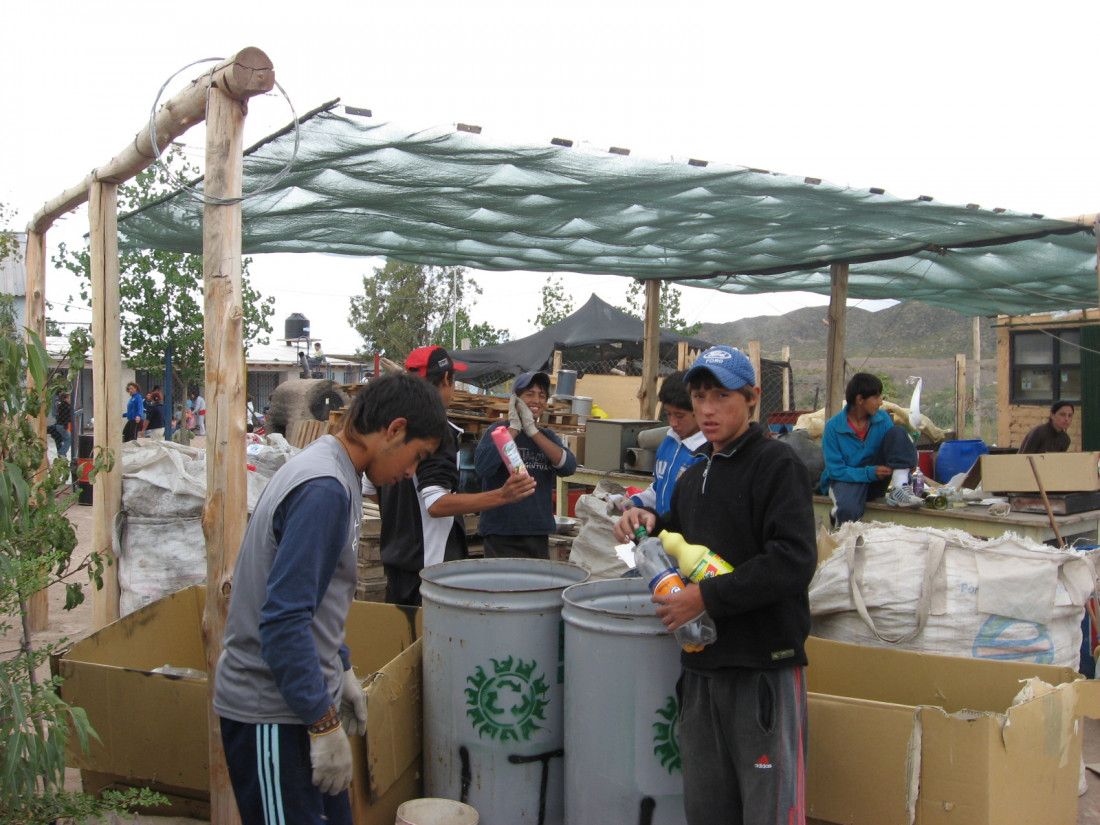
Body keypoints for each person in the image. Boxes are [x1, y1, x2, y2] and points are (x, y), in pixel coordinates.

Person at [213, 373, 450, 825]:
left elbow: (316, 598)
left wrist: (339, 665)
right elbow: (282, 622)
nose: (409, 473)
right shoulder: (323, 488)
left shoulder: (339, 473)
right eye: (416, 457)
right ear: (394, 429)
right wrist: (323, 726)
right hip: (273, 713)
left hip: (301, 705)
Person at [613, 345, 817, 825]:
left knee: (769, 807)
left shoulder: (777, 466)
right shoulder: (695, 473)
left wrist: (705, 597)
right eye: (700, 396)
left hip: (762, 667)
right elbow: (679, 539)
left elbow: (793, 560)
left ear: (752, 398)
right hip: (703, 667)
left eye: (721, 396)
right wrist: (647, 520)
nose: (707, 409)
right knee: (708, 807)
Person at [364, 346, 536, 606]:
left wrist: (406, 521)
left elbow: (370, 489)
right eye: (454, 380)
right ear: (446, 379)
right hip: (430, 570)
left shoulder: (388, 427)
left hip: (396, 563)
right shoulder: (435, 432)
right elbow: (436, 504)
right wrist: (502, 495)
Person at [474, 370, 578, 559]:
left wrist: (532, 431)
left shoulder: (547, 437)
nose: (536, 400)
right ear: (516, 400)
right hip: (501, 532)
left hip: (537, 531)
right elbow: (483, 466)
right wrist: (514, 429)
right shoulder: (497, 431)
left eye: (542, 395)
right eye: (529, 394)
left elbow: (568, 467)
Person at [819, 372, 922, 525]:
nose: (880, 402)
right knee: (848, 511)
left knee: (898, 432)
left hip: (875, 481)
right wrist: (870, 472)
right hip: (846, 481)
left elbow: (896, 447)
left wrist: (902, 475)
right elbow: (836, 471)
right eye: (876, 397)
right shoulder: (833, 428)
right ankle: (840, 532)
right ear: (860, 399)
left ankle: (899, 489)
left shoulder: (883, 419)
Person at [624, 370, 706, 515]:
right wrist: (633, 502)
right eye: (668, 414)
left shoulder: (706, 453)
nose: (673, 422)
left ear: (700, 410)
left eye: (680, 416)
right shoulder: (669, 443)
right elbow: (660, 489)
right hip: (664, 533)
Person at [50, 390, 73, 460]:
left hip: (59, 425)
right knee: (69, 438)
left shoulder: (61, 405)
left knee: (62, 439)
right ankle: (62, 453)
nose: (70, 400)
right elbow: (65, 417)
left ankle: (62, 453)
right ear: (64, 399)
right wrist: (66, 426)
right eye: (68, 398)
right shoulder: (65, 406)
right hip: (62, 425)